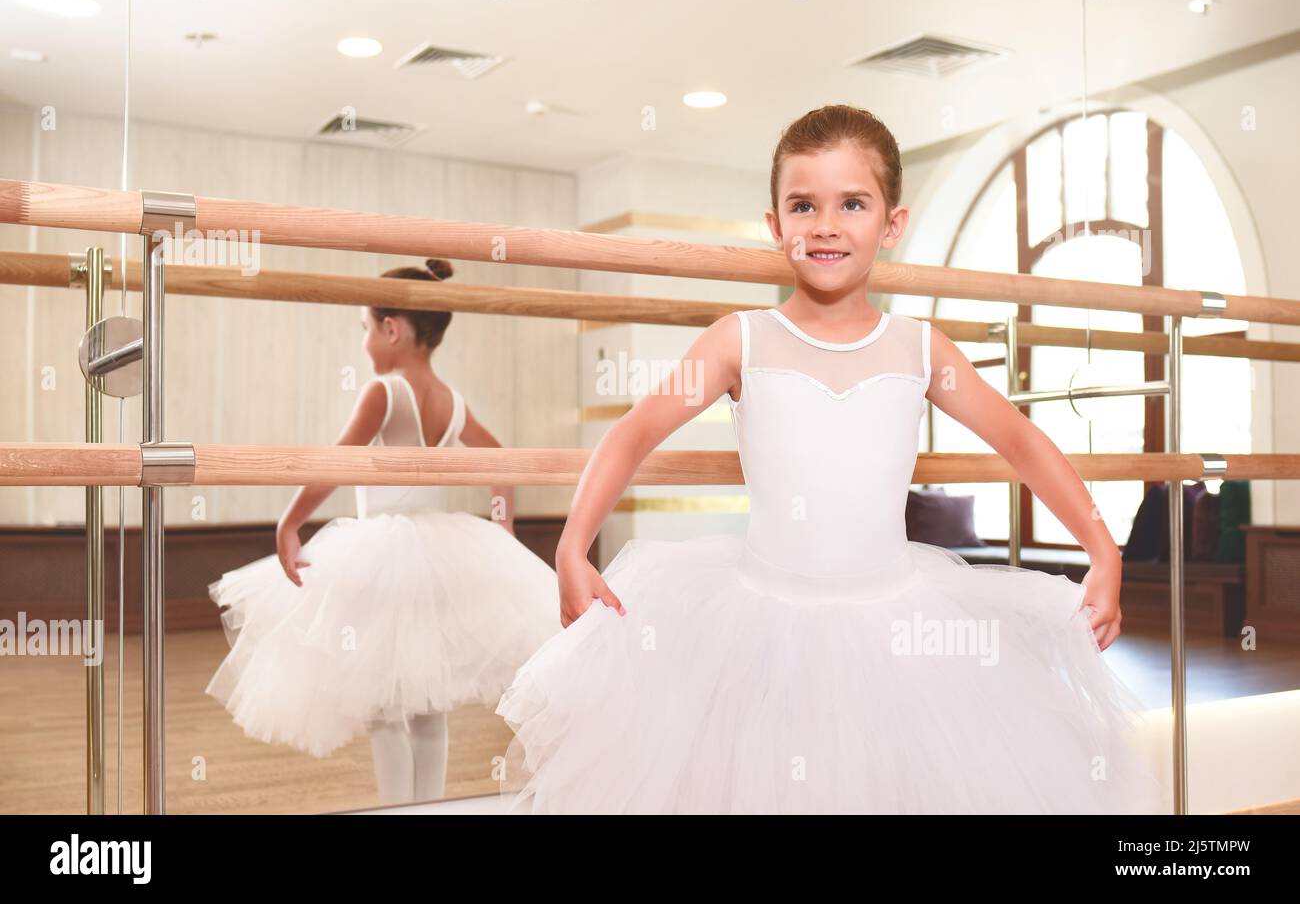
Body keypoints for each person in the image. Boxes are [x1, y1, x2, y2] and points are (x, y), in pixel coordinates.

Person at [494, 105, 1166, 814]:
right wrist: (572, 544)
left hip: (899, 629)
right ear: (774, 223)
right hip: (758, 630)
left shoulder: (919, 348)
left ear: (891, 223)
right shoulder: (740, 340)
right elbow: (630, 434)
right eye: (803, 205)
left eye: (852, 203)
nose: (825, 224)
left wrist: (1102, 547)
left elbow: (1022, 441)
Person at [206, 259, 560, 805]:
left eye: (366, 328)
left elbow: (338, 460)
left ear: (392, 329)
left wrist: (291, 519)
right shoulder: (450, 399)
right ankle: (429, 806)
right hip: (439, 555)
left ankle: (398, 808)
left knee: (384, 707)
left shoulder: (383, 392)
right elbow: (504, 462)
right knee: (428, 702)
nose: (366, 341)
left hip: (384, 558)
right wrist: (502, 529)